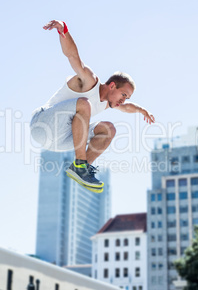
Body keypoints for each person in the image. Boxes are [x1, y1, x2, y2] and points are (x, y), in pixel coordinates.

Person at [30, 20, 155, 193]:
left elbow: (127, 108)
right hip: (43, 124)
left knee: (109, 129)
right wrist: (62, 29)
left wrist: (142, 110)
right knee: (84, 104)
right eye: (123, 95)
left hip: (59, 141)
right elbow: (73, 57)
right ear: (112, 86)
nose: (123, 101)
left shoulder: (108, 103)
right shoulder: (89, 82)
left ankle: (80, 168)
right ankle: (80, 165)